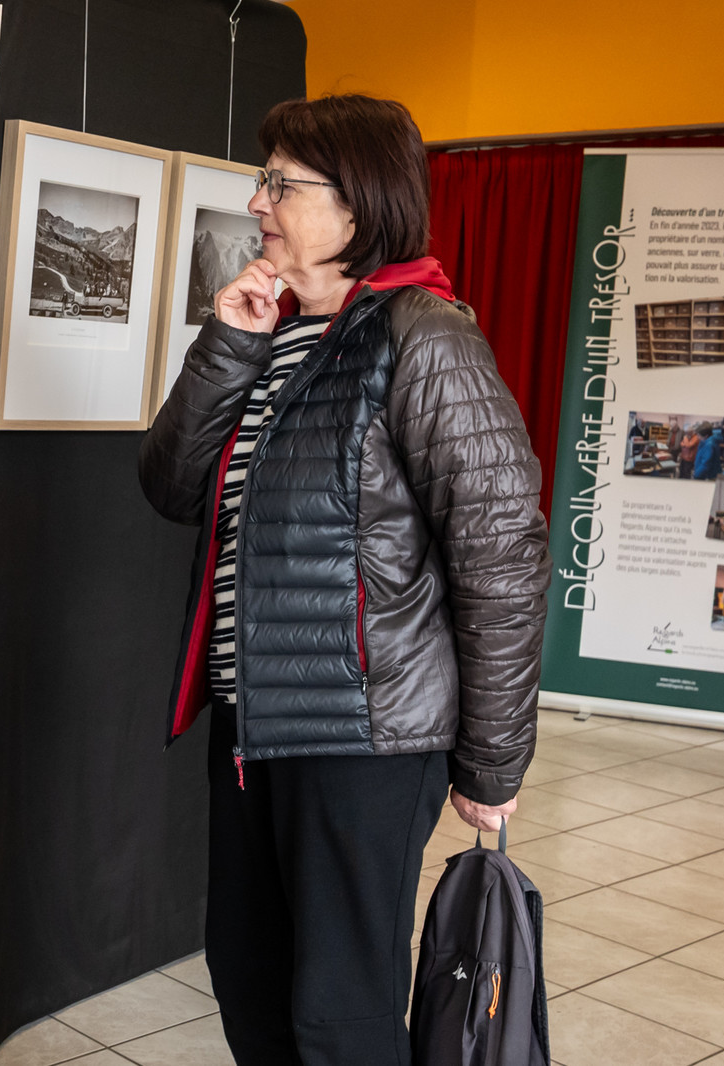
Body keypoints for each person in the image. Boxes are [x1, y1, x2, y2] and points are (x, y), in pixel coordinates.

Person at [140, 94, 549, 1066]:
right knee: (247, 977)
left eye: (280, 182)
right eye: (263, 179)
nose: (257, 201)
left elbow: (500, 552)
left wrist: (491, 762)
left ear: (359, 203)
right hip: (254, 723)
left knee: (337, 1006)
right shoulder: (271, 330)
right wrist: (227, 344)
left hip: (363, 733)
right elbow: (169, 484)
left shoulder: (425, 334)